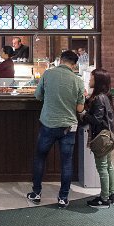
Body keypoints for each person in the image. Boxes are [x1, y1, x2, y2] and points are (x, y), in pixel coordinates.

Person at [26, 50, 85, 209]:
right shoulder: (78, 81)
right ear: (74, 65)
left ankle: (36, 193)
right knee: (66, 163)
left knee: (40, 158)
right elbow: (80, 108)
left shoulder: (48, 74)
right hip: (68, 127)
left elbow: (38, 96)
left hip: (48, 124)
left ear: (60, 60)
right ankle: (63, 198)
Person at [81, 70, 114, 208]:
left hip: (101, 137)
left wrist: (83, 113)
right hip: (108, 136)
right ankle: (111, 194)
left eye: (91, 77)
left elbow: (96, 119)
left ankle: (104, 198)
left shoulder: (99, 98)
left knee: (102, 167)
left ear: (98, 81)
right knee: (108, 166)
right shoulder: (105, 96)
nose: (89, 80)